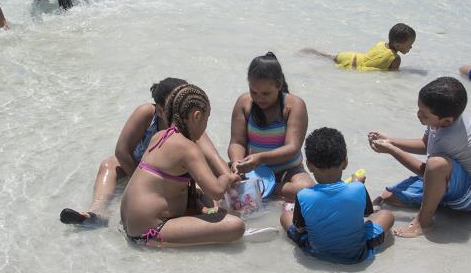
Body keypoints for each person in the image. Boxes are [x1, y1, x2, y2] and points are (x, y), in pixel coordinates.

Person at [61, 78, 233, 226]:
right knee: (109, 163)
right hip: (137, 166)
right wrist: (140, 181)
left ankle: (213, 211)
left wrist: (234, 181)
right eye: (172, 107)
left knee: (201, 184)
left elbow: (212, 157)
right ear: (159, 110)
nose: (178, 110)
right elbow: (122, 151)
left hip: (174, 175)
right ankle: (97, 210)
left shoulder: (189, 127)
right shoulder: (146, 113)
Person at [120, 83, 245, 247]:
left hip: (128, 223)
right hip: (149, 231)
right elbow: (216, 192)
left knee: (199, 195)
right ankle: (159, 241)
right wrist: (226, 177)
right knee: (235, 226)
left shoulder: (159, 136)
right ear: (197, 116)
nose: (206, 125)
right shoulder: (189, 149)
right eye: (207, 119)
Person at [368, 77, 471, 238]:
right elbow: (425, 145)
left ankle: (423, 222)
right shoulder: (445, 118)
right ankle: (437, 201)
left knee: (436, 164)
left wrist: (392, 150)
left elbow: (429, 170)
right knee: (388, 198)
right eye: (419, 109)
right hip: (448, 179)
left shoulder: (449, 137)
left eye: (424, 114)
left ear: (446, 121)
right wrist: (390, 140)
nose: (418, 115)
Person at [281, 127, 394, 264]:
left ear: (309, 165)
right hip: (357, 255)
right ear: (345, 161)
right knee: (387, 215)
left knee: (285, 216)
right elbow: (367, 215)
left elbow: (301, 228)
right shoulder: (358, 188)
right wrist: (356, 183)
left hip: (316, 252)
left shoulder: (303, 195)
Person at [228, 52, 315, 202]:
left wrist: (260, 158)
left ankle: (267, 189)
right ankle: (261, 189)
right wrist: (237, 163)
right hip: (251, 171)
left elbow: (292, 147)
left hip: (287, 170)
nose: (259, 98)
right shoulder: (244, 103)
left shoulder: (294, 105)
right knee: (214, 184)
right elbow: (237, 142)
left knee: (306, 192)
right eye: (253, 92)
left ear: (279, 85)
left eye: (266, 93)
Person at [303, 23, 416, 71]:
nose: (410, 47)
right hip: (352, 66)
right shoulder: (396, 59)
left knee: (325, 57)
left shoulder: (381, 44)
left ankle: (310, 52)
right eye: (410, 45)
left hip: (348, 56)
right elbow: (392, 78)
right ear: (397, 45)